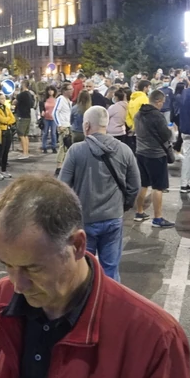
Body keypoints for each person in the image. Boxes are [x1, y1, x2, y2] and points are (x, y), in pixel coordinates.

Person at [0, 175, 190, 378]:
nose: (18, 285)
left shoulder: (155, 337)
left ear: (78, 245)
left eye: (33, 268)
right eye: (7, 265)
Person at [58, 106, 140, 281]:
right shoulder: (124, 150)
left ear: (86, 125)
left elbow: (62, 187)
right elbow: (135, 186)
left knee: (83, 271)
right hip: (113, 218)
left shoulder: (76, 151)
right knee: (110, 269)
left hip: (84, 221)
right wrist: (122, 206)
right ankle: (110, 305)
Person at [133, 90, 175, 226]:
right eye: (162, 102)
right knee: (158, 187)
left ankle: (139, 212)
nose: (162, 105)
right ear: (158, 101)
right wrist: (171, 131)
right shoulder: (157, 116)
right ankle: (158, 218)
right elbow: (165, 136)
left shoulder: (138, 114)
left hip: (140, 152)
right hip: (156, 154)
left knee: (143, 183)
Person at [0, 92, 15, 180]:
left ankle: (4, 170)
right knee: (0, 152)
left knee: (6, 152)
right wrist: (7, 120)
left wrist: (7, 120)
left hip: (8, 131)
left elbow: (13, 118)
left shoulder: (6, 108)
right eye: (1, 98)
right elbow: (1, 119)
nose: (3, 100)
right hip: (1, 132)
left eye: (4, 98)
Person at [53, 84, 72, 176]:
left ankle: (64, 165)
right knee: (63, 146)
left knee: (67, 146)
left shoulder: (68, 101)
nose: (72, 90)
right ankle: (59, 166)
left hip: (68, 125)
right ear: (65, 90)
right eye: (70, 89)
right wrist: (59, 125)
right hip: (63, 126)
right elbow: (55, 112)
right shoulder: (61, 99)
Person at [14, 81, 34, 159]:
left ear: (23, 85)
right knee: (25, 135)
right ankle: (26, 152)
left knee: (21, 135)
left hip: (22, 116)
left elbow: (14, 102)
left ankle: (25, 153)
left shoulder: (21, 95)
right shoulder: (30, 94)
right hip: (28, 115)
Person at [40, 86, 57, 153]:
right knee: (45, 133)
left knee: (53, 133)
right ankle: (44, 147)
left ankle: (54, 147)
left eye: (52, 90)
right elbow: (42, 107)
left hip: (53, 118)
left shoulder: (56, 99)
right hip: (46, 118)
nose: (50, 92)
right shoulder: (45, 99)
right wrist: (42, 111)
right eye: (49, 90)